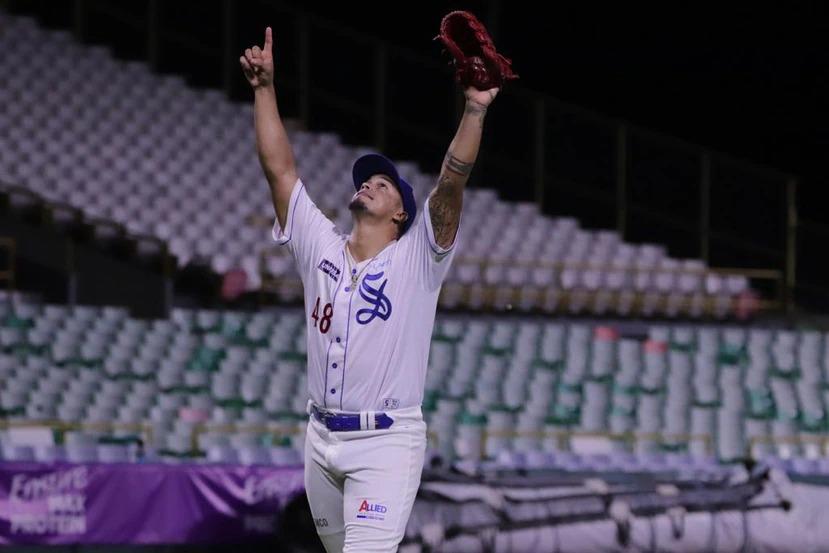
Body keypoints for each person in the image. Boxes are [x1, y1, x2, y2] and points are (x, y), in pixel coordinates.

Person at [240, 27, 498, 553]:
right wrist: (264, 89)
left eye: (382, 184)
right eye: (366, 179)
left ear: (401, 212)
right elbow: (281, 171)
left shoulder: (417, 258)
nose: (369, 183)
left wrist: (474, 110)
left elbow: (450, 185)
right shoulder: (322, 248)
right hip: (321, 439)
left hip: (385, 440)